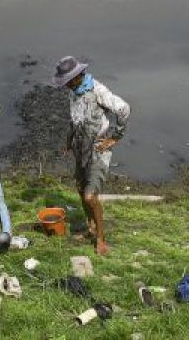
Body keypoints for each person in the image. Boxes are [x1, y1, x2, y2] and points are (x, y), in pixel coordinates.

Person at [52, 55, 130, 255]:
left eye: (68, 81)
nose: (66, 85)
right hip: (80, 147)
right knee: (80, 188)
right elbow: (75, 119)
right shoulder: (74, 92)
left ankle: (101, 240)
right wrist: (69, 141)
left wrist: (115, 137)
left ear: (78, 76)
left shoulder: (98, 90)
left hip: (97, 149)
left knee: (90, 196)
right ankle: (91, 227)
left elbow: (123, 109)